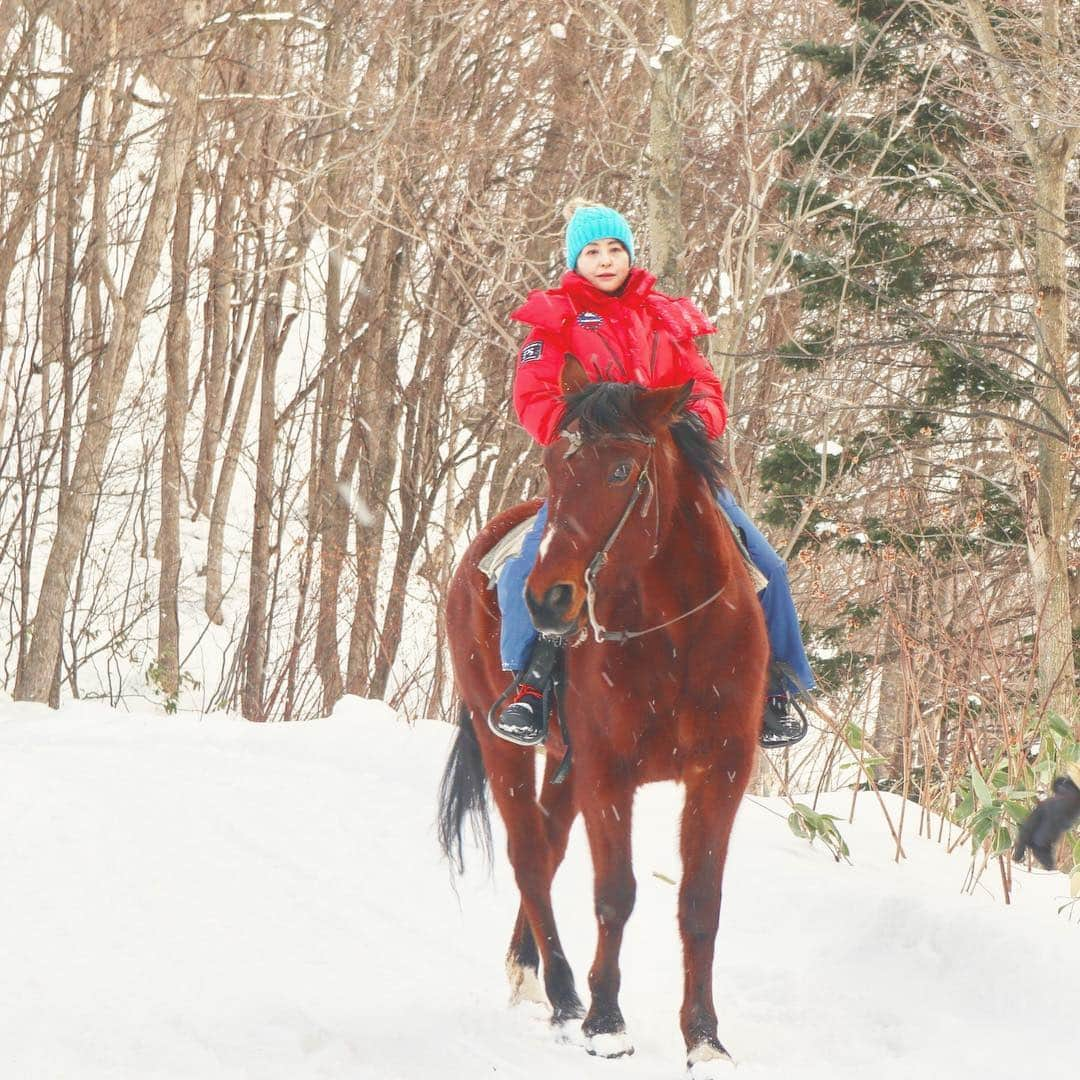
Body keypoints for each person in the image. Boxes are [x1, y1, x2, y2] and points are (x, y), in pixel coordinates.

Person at [494, 200, 814, 749]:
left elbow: (705, 386)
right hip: (596, 474)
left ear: (629, 253)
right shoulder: (556, 318)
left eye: (614, 248)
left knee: (768, 568)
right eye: (591, 251)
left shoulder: (664, 315)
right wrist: (587, 434)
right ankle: (531, 684)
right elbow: (533, 397)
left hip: (674, 471)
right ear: (576, 260)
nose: (604, 260)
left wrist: (697, 423)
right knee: (525, 567)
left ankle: (775, 687)